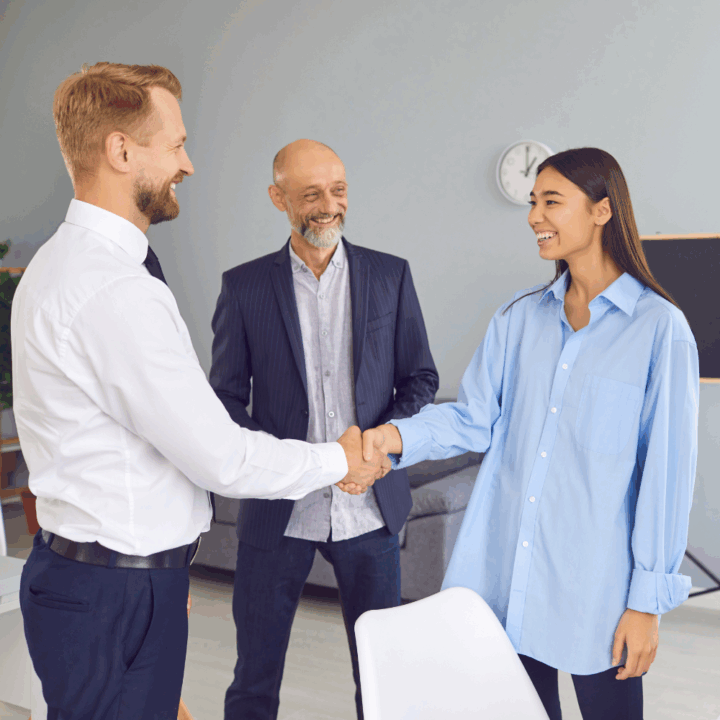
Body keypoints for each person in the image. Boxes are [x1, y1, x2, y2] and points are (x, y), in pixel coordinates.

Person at [13, 63, 388, 720]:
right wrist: (341, 459)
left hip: (117, 581)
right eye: (176, 143)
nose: (188, 162)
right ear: (121, 150)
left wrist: (166, 568)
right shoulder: (113, 289)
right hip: (115, 593)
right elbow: (221, 456)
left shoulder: (63, 263)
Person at [362, 148, 698, 720]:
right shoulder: (517, 319)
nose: (533, 216)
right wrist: (389, 437)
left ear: (601, 211)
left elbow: (665, 474)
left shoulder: (658, 330)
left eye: (551, 201)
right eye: (531, 202)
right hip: (506, 579)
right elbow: (472, 418)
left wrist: (647, 603)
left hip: (599, 591)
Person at [210, 139, 439, 720]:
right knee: (253, 682)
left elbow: (420, 379)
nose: (328, 206)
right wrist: (284, 461)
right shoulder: (245, 287)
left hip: (370, 508)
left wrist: (379, 450)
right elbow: (227, 401)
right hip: (278, 512)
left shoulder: (391, 275)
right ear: (278, 197)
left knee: (383, 680)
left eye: (338, 191)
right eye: (311, 194)